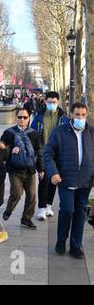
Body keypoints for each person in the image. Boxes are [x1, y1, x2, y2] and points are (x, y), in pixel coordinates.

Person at [44, 102, 94, 259]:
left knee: (80, 212)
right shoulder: (59, 132)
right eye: (77, 114)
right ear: (71, 115)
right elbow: (48, 154)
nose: (80, 118)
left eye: (83, 115)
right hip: (66, 179)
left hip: (86, 180)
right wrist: (53, 172)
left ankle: (75, 246)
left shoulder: (92, 133)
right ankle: (61, 241)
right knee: (67, 210)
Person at [1, 108, 44, 229]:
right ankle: (9, 210)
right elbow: (0, 149)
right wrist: (10, 151)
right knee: (17, 193)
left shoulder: (34, 134)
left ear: (29, 118)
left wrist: (41, 169)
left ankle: (26, 219)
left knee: (31, 196)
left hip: (30, 170)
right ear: (16, 118)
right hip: (14, 170)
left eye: (25, 117)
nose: (22, 119)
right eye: (20, 117)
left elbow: (39, 152)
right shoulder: (8, 133)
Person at [31, 91, 69, 221]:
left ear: (58, 102)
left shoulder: (63, 117)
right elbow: (33, 131)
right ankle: (41, 208)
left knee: (54, 179)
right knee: (44, 179)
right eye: (49, 102)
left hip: (58, 153)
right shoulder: (39, 115)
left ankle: (48, 206)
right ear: (45, 102)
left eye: (54, 102)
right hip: (43, 152)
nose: (51, 104)